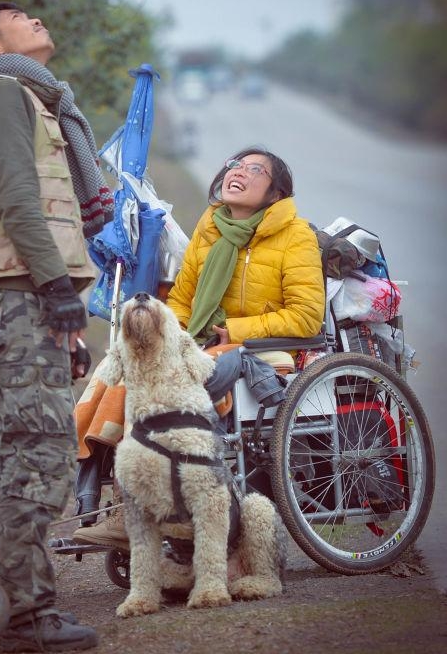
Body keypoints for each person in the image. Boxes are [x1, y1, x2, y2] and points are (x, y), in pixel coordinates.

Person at [0, 3, 113, 652]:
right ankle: (26, 615)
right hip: (19, 293)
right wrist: (54, 288)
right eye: (20, 16)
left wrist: (62, 307)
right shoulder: (5, 94)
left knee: (21, 449)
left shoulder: (36, 101)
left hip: (24, 296)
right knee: (43, 450)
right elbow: (18, 200)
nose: (37, 19)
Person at [72, 145, 325, 549]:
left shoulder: (295, 236)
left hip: (257, 349)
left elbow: (306, 316)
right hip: (203, 344)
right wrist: (166, 335)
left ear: (276, 192)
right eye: (234, 165)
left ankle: (146, 511)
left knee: (163, 384)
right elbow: (182, 302)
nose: (238, 171)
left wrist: (235, 329)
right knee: (125, 365)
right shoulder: (211, 228)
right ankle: (121, 502)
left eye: (254, 169)